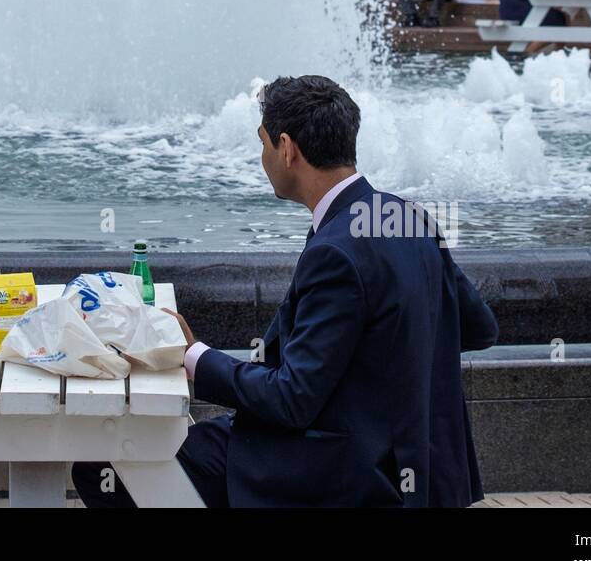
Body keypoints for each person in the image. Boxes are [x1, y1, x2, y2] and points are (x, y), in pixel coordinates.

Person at [73, 75, 497, 509]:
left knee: (102, 469)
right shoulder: (408, 217)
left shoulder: (336, 253)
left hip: (340, 471)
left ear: (288, 148)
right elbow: (481, 328)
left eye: (263, 145)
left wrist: (192, 356)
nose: (262, 158)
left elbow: (291, 399)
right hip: (416, 466)